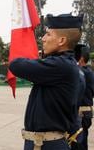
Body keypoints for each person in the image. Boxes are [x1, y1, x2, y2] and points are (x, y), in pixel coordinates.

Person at [9, 14, 83, 150]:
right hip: (44, 143)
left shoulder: (61, 65)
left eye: (48, 34)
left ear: (61, 40)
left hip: (47, 145)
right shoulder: (64, 65)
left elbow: (16, 65)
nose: (43, 39)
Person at [74, 44, 94, 150]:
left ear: (80, 59)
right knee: (82, 141)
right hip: (86, 113)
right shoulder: (90, 72)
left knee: (78, 143)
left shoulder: (81, 72)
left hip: (80, 114)